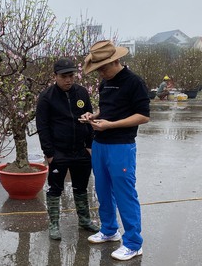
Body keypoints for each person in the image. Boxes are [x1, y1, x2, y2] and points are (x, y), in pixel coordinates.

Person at [80, 40, 150, 261]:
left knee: (124, 193)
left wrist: (111, 125)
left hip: (121, 145)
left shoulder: (134, 82)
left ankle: (133, 243)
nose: (100, 73)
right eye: (97, 69)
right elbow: (107, 108)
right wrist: (94, 115)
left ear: (116, 60)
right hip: (100, 143)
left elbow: (143, 115)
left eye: (103, 68)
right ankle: (109, 230)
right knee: (102, 189)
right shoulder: (104, 83)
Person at [36, 57, 100, 241]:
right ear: (55, 76)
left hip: (81, 151)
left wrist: (89, 145)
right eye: (64, 76)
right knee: (55, 189)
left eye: (71, 76)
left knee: (81, 187)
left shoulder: (81, 93)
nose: (68, 80)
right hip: (58, 152)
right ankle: (54, 224)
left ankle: (84, 220)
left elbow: (89, 120)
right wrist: (49, 153)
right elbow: (42, 126)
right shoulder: (46, 97)